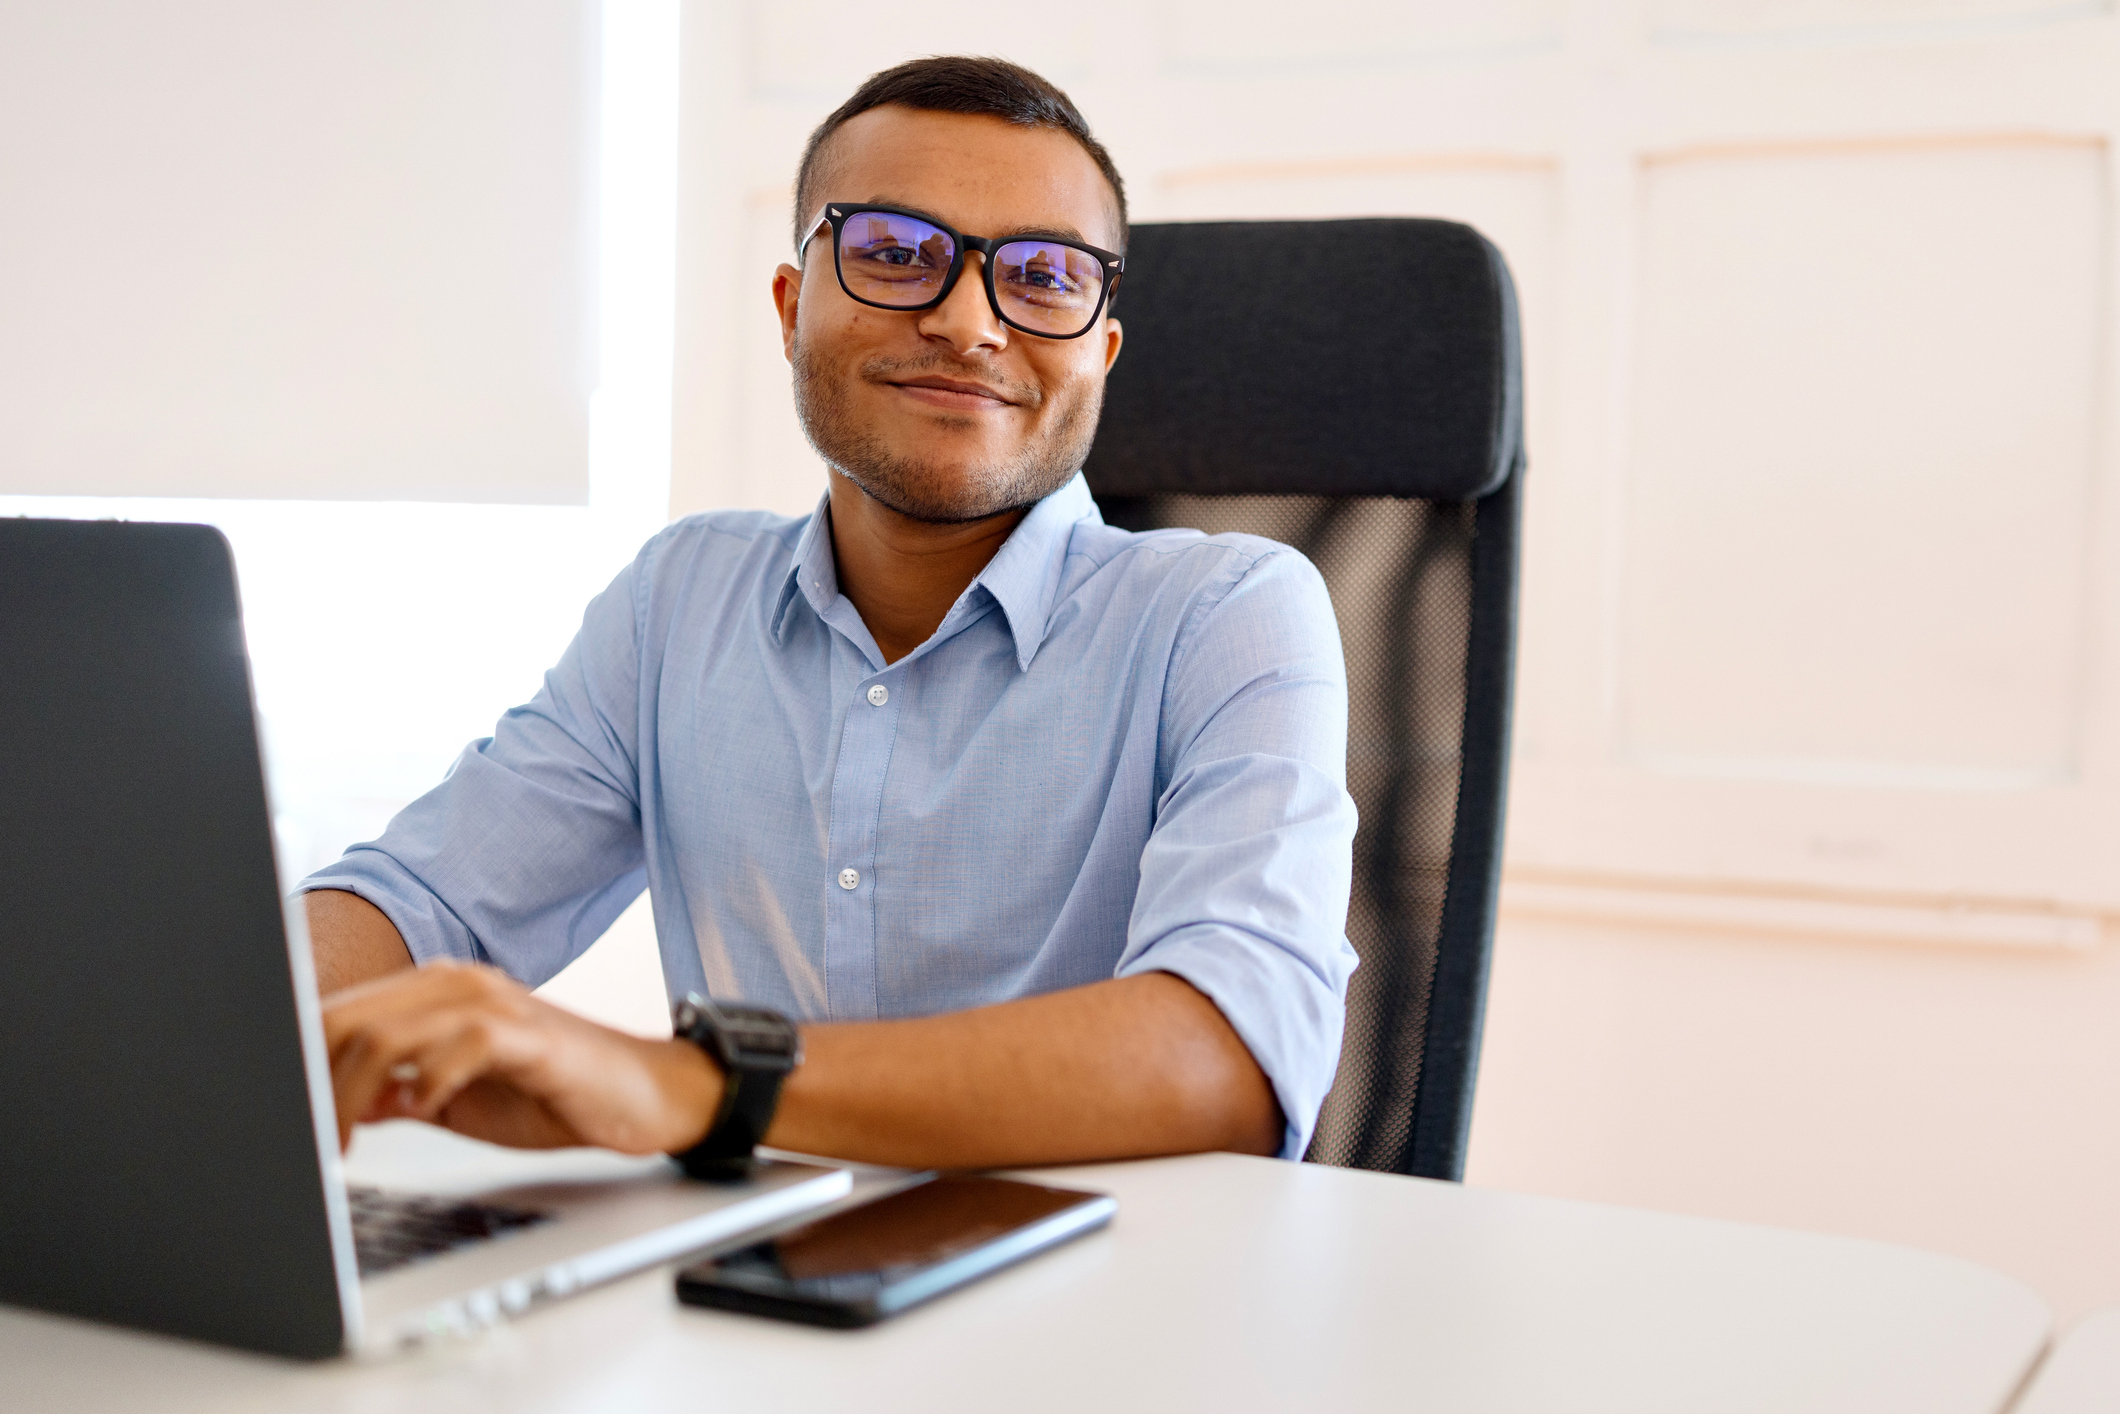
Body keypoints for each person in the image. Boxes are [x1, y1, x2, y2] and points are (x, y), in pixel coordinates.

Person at [307, 56, 1357, 1173]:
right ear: (790, 303)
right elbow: (418, 901)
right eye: (896, 254)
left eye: (1043, 276)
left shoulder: (1231, 615)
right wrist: (206, 1029)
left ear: (1096, 351)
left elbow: (1225, 1055)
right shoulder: (679, 605)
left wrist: (695, 1086)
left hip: (1102, 1310)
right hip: (748, 1300)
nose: (966, 322)